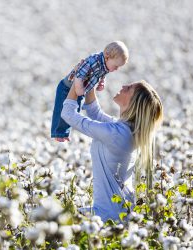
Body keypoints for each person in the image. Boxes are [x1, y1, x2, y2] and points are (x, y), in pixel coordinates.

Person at [61, 80, 163, 222]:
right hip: (119, 212)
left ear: (133, 102)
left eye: (128, 88)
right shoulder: (126, 129)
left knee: (55, 220)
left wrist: (77, 81)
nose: (123, 86)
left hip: (107, 217)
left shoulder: (117, 133)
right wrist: (91, 80)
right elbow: (95, 113)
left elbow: (68, 114)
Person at [51, 41, 129, 142]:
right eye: (116, 66)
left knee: (75, 111)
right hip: (67, 87)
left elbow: (102, 74)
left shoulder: (106, 64)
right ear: (107, 56)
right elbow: (79, 74)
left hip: (82, 89)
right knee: (61, 110)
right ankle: (58, 133)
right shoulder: (93, 61)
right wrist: (79, 89)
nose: (117, 69)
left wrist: (101, 83)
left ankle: (64, 133)